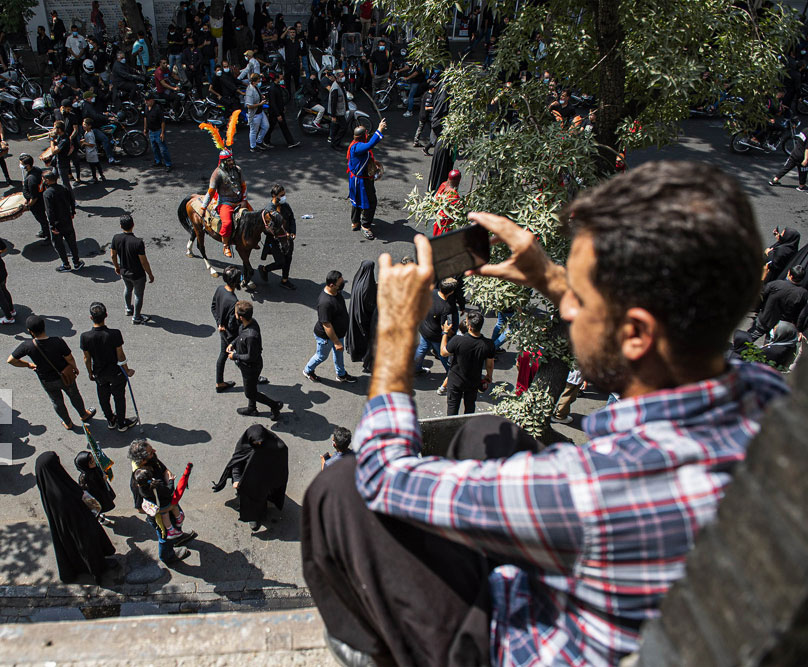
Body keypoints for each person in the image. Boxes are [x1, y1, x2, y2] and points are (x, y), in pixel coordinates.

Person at [302, 161, 789, 667]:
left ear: (637, 333)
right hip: (635, 595)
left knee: (339, 490)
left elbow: (382, 474)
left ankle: (376, 647)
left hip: (522, 642)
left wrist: (397, 333)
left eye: (581, 298)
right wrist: (553, 279)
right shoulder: (768, 394)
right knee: (487, 434)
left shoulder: (597, 489)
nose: (568, 310)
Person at [35, 452, 117, 584]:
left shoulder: (49, 486)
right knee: (89, 548)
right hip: (79, 525)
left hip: (69, 527)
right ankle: (98, 571)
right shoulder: (60, 491)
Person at [9, 315, 96, 430]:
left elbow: (11, 360)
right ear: (44, 327)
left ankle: (68, 423)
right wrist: (74, 368)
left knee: (56, 401)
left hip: (47, 380)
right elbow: (69, 358)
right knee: (74, 395)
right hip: (65, 376)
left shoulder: (27, 346)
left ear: (30, 331)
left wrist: (28, 365)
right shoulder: (57, 341)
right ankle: (84, 415)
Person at [128, 440, 194, 564]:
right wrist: (167, 508)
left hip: (169, 502)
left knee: (176, 522)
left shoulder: (153, 461)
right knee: (164, 536)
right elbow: (141, 509)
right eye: (150, 452)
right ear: (142, 460)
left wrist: (169, 481)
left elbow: (165, 471)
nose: (154, 452)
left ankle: (178, 537)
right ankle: (167, 556)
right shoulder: (138, 481)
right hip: (160, 514)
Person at [212, 424, 288, 531]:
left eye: (260, 442)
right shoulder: (244, 445)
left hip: (264, 479)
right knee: (248, 497)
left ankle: (257, 516)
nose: (258, 444)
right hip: (247, 477)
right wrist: (237, 479)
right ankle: (253, 514)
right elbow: (237, 462)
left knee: (259, 498)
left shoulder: (276, 446)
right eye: (255, 442)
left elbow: (281, 465)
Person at [80, 302, 139, 432]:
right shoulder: (114, 334)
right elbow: (120, 355)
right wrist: (127, 370)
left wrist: (90, 372)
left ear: (91, 317)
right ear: (106, 315)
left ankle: (110, 420)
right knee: (119, 397)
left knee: (103, 396)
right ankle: (122, 423)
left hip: (99, 372)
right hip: (115, 372)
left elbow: (87, 358)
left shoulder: (85, 337)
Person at [229, 300, 283, 419]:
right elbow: (240, 336)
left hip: (250, 368)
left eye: (236, 314)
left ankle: (274, 405)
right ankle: (252, 408)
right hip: (246, 366)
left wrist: (235, 356)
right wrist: (233, 343)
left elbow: (250, 357)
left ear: (241, 317)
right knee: (251, 386)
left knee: (250, 392)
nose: (235, 315)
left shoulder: (251, 336)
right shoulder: (248, 324)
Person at [303, 270, 356, 383]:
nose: (342, 285)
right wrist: (336, 342)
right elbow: (326, 325)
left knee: (339, 355)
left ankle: (341, 374)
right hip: (327, 338)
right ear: (332, 285)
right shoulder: (325, 303)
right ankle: (308, 370)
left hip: (338, 334)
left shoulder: (336, 292)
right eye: (340, 283)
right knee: (321, 356)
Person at [199, 136, 247, 258]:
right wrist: (203, 207)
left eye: (232, 159)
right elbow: (210, 192)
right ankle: (226, 245)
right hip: (226, 203)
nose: (231, 162)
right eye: (229, 160)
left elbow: (244, 186)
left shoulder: (238, 170)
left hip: (240, 201)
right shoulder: (217, 174)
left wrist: (244, 201)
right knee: (227, 223)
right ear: (223, 161)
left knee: (253, 218)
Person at [439, 311, 495, 415]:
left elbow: (443, 352)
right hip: (473, 381)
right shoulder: (489, 344)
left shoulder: (457, 340)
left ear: (469, 326)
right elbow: (490, 364)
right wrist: (489, 376)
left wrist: (445, 333)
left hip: (455, 381)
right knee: (470, 407)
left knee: (452, 408)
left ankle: (452, 430)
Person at [416, 277, 460, 394]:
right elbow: (445, 327)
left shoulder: (432, 293)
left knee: (421, 349)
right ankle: (450, 375)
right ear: (451, 292)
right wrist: (450, 333)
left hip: (424, 329)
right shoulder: (446, 307)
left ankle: (415, 369)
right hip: (436, 336)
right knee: (444, 356)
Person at [744, 265, 808, 342]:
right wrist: (798, 329)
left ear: (790, 275)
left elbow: (760, 295)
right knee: (768, 348)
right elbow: (802, 314)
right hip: (780, 326)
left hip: (765, 319)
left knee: (747, 340)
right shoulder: (803, 293)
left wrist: (759, 308)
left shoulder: (776, 284)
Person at [111, 214, 156, 324]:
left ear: (121, 226)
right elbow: (143, 261)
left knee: (127, 288)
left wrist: (117, 267)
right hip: (137, 274)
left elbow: (113, 255)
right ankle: (136, 317)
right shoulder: (138, 242)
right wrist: (150, 274)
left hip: (124, 271)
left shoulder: (116, 238)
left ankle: (128, 308)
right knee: (138, 295)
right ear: (133, 225)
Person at [347, 119, 387, 240]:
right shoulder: (358, 147)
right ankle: (365, 226)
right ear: (363, 136)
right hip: (362, 181)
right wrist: (379, 130)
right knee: (371, 202)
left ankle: (355, 222)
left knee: (356, 201)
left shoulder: (355, 145)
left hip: (356, 179)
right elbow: (370, 144)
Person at [42, 170, 84, 273]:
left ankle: (66, 264)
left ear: (47, 180)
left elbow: (49, 211)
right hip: (67, 220)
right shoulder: (63, 188)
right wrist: (72, 212)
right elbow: (71, 201)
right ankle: (76, 262)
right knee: (72, 242)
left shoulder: (47, 194)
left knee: (59, 244)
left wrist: (52, 226)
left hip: (57, 224)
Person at [258, 184, 297, 288]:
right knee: (280, 262)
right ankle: (264, 269)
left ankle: (285, 280)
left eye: (284, 194)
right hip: (275, 241)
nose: (284, 197)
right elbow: (266, 229)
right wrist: (281, 234)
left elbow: (292, 219)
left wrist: (293, 232)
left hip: (288, 239)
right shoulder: (269, 211)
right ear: (274, 196)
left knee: (288, 258)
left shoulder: (286, 206)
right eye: (281, 195)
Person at [212, 267, 242, 392]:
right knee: (243, 357)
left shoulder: (220, 289)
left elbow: (213, 306)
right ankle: (253, 378)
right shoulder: (234, 301)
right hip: (231, 335)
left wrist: (219, 323)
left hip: (222, 331)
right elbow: (232, 324)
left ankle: (219, 383)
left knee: (223, 355)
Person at [346, 259, 378, 374]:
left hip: (355, 311)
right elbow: (369, 305)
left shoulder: (358, 277)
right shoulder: (367, 287)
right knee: (366, 337)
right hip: (363, 316)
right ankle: (364, 357)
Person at [74, 451, 115, 526]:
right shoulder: (84, 478)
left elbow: (100, 473)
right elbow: (88, 489)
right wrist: (102, 481)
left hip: (101, 492)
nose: (94, 463)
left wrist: (104, 476)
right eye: (91, 462)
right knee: (97, 509)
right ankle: (100, 519)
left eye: (93, 460)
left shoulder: (95, 468)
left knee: (103, 506)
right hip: (95, 496)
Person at [262, 72, 300, 149]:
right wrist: (278, 114)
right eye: (281, 78)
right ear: (276, 78)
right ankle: (265, 140)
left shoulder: (276, 87)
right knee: (273, 127)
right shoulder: (273, 89)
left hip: (278, 111)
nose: (282, 80)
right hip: (275, 112)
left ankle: (290, 142)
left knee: (279, 127)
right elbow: (273, 103)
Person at [768, 123, 808, 190]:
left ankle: (774, 180)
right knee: (803, 171)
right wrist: (806, 159)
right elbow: (807, 149)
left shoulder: (805, 130)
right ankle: (801, 186)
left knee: (786, 168)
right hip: (801, 155)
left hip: (794, 153)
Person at [18, 154, 50, 239]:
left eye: (22, 164)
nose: (20, 165)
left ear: (27, 165)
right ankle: (44, 230)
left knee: (41, 219)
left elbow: (34, 197)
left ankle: (48, 235)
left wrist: (28, 206)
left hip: (37, 203)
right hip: (41, 197)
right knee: (42, 218)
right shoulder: (36, 169)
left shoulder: (31, 179)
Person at [144, 96, 172, 171]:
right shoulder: (146, 108)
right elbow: (145, 118)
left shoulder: (157, 109)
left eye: (148, 100)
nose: (146, 102)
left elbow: (162, 121)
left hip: (158, 131)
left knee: (163, 149)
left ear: (152, 100)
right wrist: (145, 128)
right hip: (151, 131)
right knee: (154, 148)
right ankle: (158, 161)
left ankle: (168, 164)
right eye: (145, 100)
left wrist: (162, 133)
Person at [245, 73, 270, 151]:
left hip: (260, 111)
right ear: (254, 82)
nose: (259, 82)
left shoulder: (255, 87)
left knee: (266, 126)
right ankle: (253, 146)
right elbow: (249, 106)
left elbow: (258, 94)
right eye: (258, 81)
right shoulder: (250, 91)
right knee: (253, 131)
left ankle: (259, 141)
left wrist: (261, 96)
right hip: (254, 114)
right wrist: (260, 104)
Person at [433, 169, 462, 236]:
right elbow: (459, 209)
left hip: (438, 217)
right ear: (458, 181)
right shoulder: (454, 195)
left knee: (436, 235)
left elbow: (436, 197)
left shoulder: (443, 184)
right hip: (446, 221)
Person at [326, 70, 347, 147]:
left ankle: (335, 142)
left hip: (340, 110)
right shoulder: (335, 88)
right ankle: (335, 143)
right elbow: (333, 103)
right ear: (337, 77)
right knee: (343, 127)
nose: (343, 77)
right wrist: (333, 115)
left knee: (338, 128)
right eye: (341, 76)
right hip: (337, 112)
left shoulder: (340, 85)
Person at [80, 117, 105, 182]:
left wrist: (84, 143)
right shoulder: (87, 132)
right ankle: (101, 175)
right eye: (83, 124)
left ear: (89, 126)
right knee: (97, 164)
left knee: (93, 166)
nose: (83, 126)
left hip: (91, 152)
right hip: (91, 152)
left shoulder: (90, 134)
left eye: (85, 125)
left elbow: (92, 144)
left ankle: (94, 178)